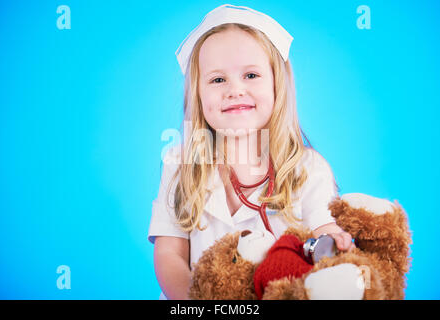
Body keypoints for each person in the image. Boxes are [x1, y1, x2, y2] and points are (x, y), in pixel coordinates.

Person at [148, 4, 355, 300]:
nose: (234, 90)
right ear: (198, 94)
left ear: (277, 85)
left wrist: (335, 240)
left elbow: (324, 231)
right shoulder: (180, 164)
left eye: (251, 75)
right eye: (218, 79)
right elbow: (169, 254)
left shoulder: (308, 168)